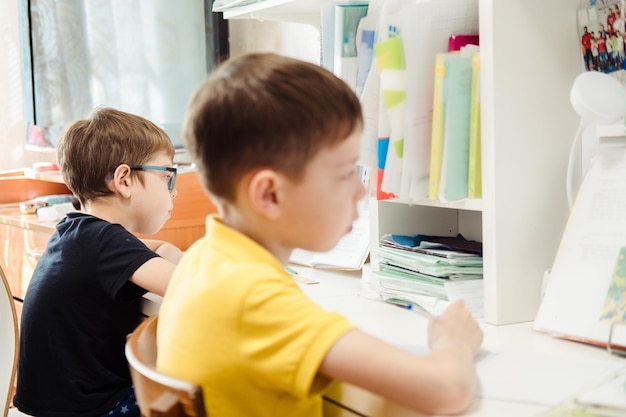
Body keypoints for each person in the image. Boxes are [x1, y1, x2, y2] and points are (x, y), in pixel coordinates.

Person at [156, 53, 483, 417]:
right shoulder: (254, 299)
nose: (360, 193)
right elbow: (446, 391)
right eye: (345, 174)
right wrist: (451, 343)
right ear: (269, 195)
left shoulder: (205, 259)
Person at [13, 107, 183, 417]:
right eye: (168, 176)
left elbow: (159, 249)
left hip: (52, 407)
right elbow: (189, 289)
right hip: (87, 410)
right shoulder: (106, 242)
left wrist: (171, 254)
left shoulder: (77, 230)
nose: (175, 192)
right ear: (125, 180)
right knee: (190, 393)